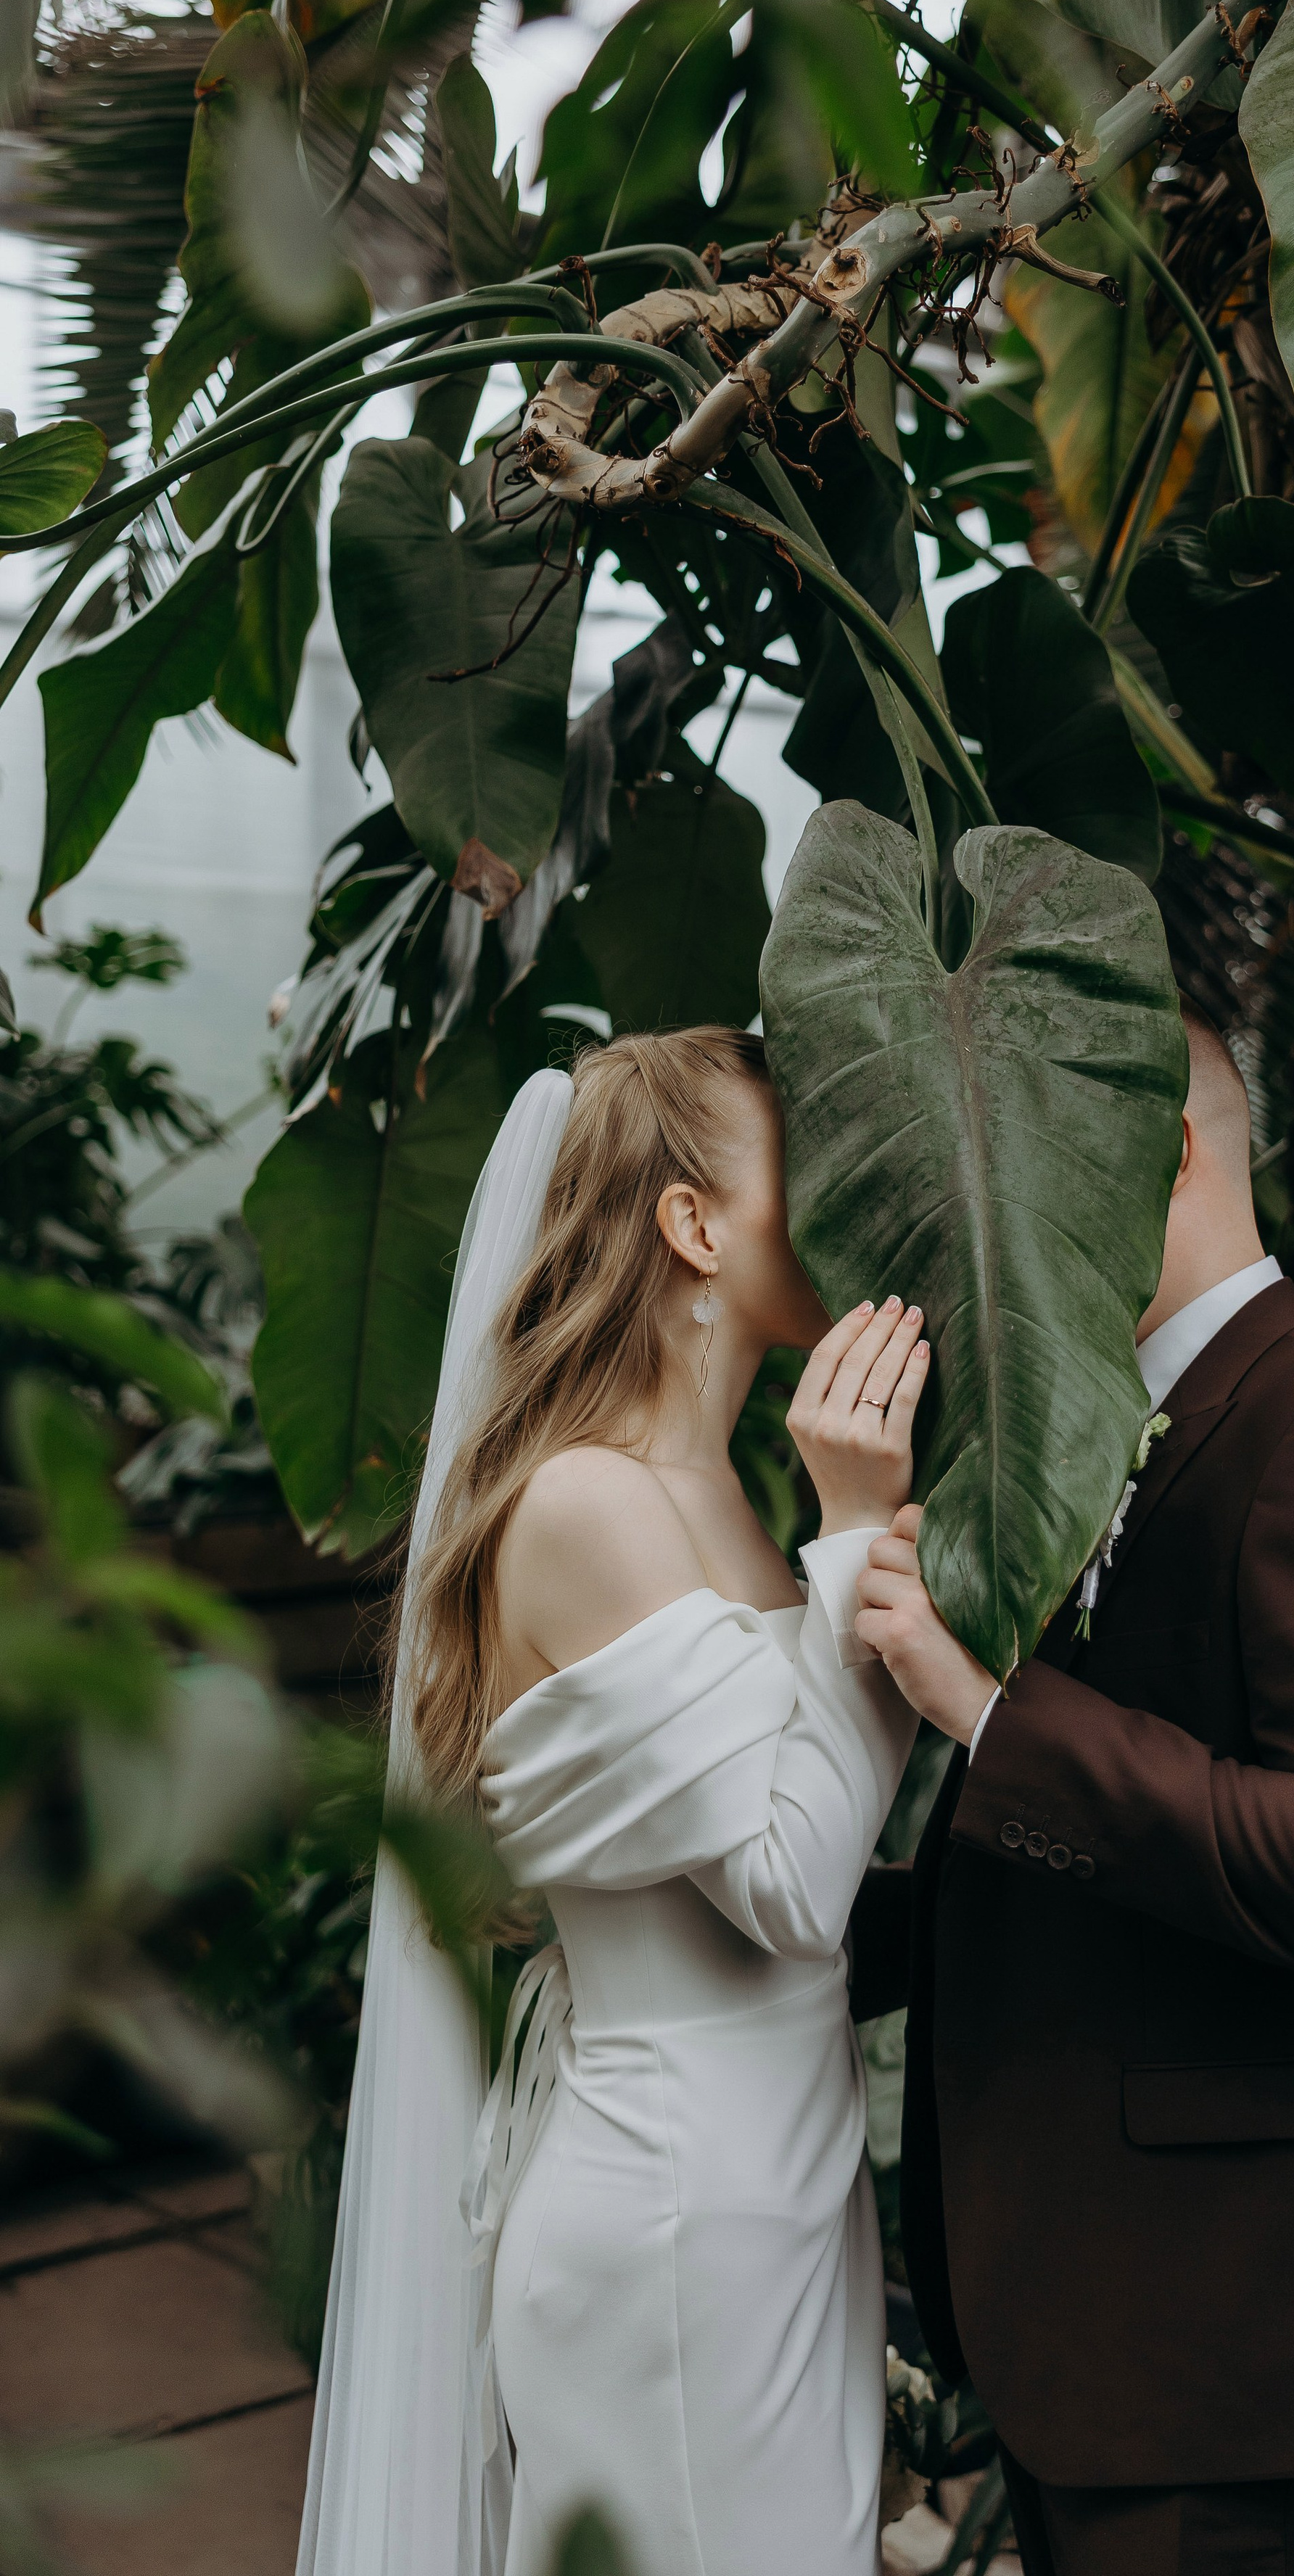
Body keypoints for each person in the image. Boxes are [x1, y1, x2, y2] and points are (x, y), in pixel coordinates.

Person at [851, 1008, 1294, 2576]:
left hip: (1242, 2360)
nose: (985, 1220)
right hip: (1118, 2336)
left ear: (1165, 1149)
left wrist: (991, 1713)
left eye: (1017, 1166)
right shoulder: (1106, 1434)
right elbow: (1086, 1878)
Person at [297, 1030, 924, 2576]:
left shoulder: (720, 1494)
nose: (847, 1193)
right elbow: (791, 1886)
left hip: (782, 2183)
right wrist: (859, 1537)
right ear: (693, 1225)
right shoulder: (589, 1501)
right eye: (804, 1163)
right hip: (677, 2214)